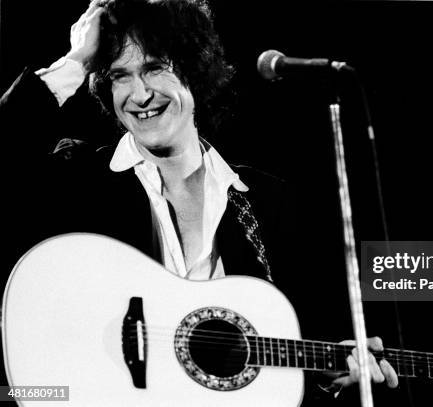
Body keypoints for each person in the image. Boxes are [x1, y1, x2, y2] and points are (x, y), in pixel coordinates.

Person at [0, 0, 398, 404]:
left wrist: (327, 377)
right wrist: (77, 60)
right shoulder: (77, 177)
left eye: (155, 68)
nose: (140, 95)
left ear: (193, 70)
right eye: (121, 76)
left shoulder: (266, 202)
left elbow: (279, 360)